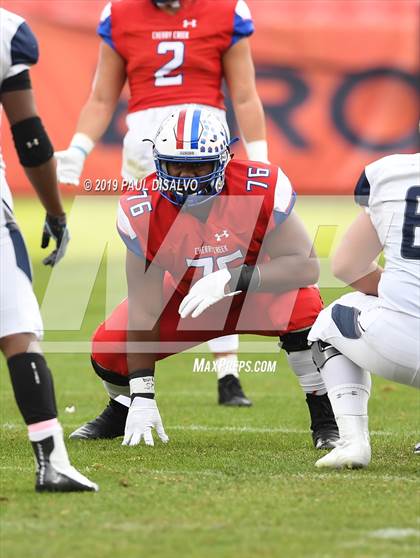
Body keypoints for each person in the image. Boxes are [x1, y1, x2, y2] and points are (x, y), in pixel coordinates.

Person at [77, 107, 340, 449]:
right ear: (159, 162)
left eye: (199, 165)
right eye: (177, 165)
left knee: (303, 305)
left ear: (222, 161)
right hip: (190, 302)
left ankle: (324, 418)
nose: (187, 176)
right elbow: (144, 307)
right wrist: (143, 392)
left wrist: (232, 279)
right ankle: (123, 408)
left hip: (256, 294)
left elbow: (305, 267)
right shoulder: (142, 208)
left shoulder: (258, 185)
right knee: (109, 347)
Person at [55, 0, 270, 411]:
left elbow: (245, 95)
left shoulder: (224, 10)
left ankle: (227, 373)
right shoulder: (119, 13)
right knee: (145, 262)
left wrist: (259, 160)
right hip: (146, 147)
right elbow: (102, 97)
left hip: (207, 145)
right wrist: (78, 149)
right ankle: (131, 385)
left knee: (221, 255)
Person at [0, 8, 98, 492]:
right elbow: (30, 137)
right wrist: (56, 212)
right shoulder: (6, 31)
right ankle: (51, 460)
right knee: (17, 330)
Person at [308, 152, 420, 469]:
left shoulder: (389, 173)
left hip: (402, 342)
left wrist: (403, 292)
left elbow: (347, 266)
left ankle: (352, 442)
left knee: (331, 320)